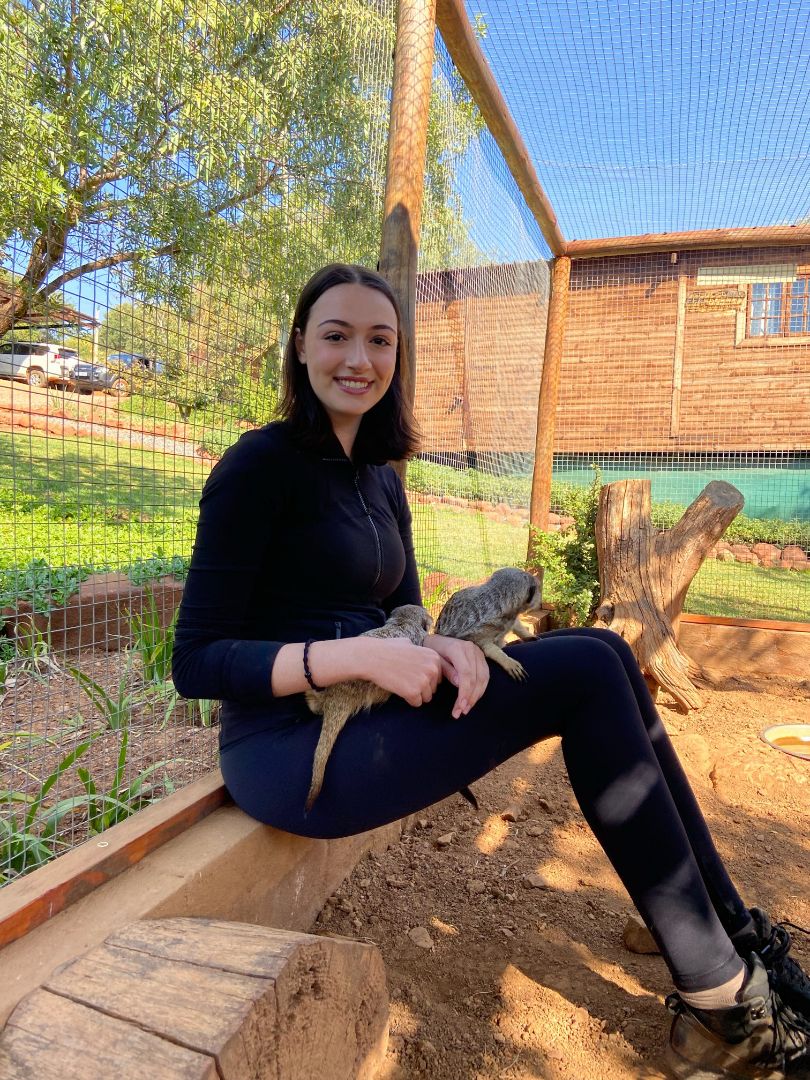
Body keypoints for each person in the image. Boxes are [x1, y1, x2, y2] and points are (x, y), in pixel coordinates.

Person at [173, 262, 810, 1079]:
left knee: (609, 651)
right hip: (289, 752)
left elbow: (405, 616)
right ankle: (723, 1008)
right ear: (300, 347)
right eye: (336, 336)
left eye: (380, 340)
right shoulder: (256, 468)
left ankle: (731, 932)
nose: (358, 358)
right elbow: (195, 661)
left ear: (397, 357)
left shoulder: (379, 479)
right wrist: (357, 655)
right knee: (584, 668)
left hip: (378, 710)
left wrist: (444, 647)